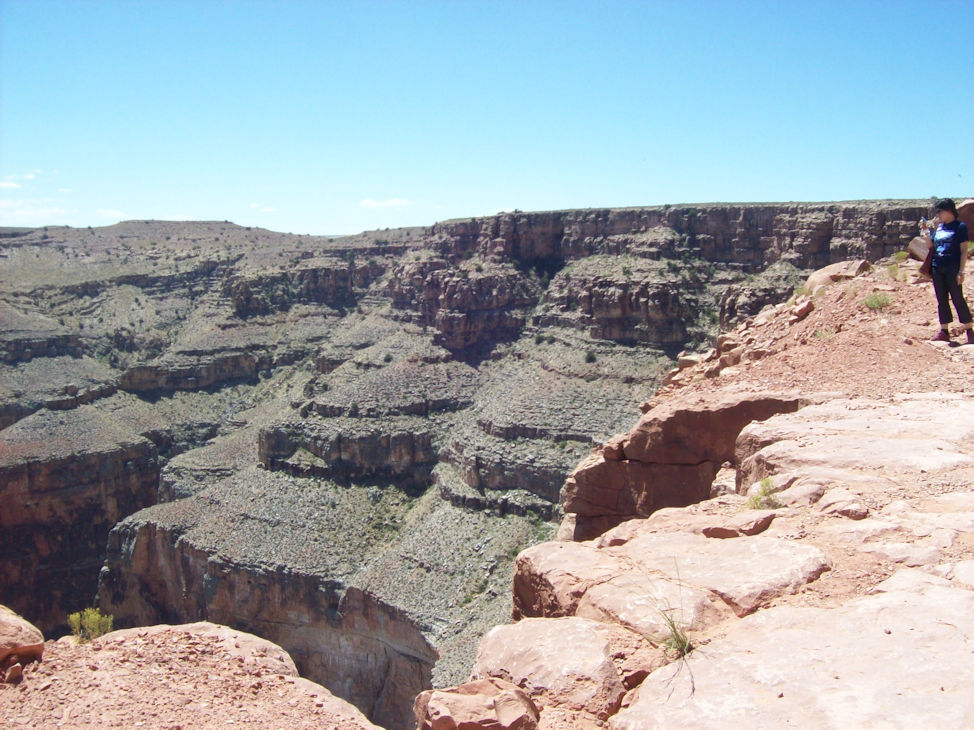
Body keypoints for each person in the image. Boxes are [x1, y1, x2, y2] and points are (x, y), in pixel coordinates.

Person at [922, 198, 972, 344]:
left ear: (949, 210)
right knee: (941, 299)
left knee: (957, 298)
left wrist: (961, 271)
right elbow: (931, 246)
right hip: (938, 267)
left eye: (940, 211)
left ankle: (969, 329)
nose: (938, 215)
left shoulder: (960, 227)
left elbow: (964, 250)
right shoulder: (939, 228)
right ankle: (944, 331)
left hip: (953, 268)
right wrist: (925, 233)